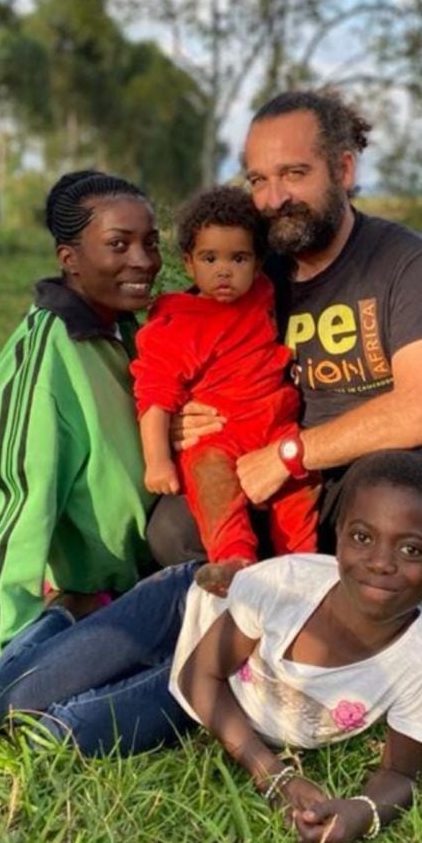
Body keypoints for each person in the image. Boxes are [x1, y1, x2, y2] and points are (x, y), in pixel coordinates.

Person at [0, 450, 422, 843]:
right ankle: (65, 612)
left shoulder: (419, 664)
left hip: (214, 685)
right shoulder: (286, 587)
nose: (380, 562)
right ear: (339, 540)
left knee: (54, 735)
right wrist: (272, 775)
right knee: (5, 699)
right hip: (185, 611)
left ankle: (126, 661)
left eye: (411, 550)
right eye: (362, 537)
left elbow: (399, 773)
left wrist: (359, 813)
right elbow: (199, 677)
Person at [145, 88, 422, 567]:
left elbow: (420, 414)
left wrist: (288, 454)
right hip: (271, 464)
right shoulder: (251, 272)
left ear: (343, 171)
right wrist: (185, 420)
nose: (273, 198)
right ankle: (252, 617)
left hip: (378, 463)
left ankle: (355, 627)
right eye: (257, 180)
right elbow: (187, 351)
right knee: (172, 530)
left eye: (294, 174)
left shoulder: (407, 261)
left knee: (392, 499)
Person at [0, 169, 162, 683]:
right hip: (97, 595)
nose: (143, 261)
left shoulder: (133, 329)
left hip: (153, 565)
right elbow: (17, 504)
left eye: (150, 243)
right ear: (69, 259)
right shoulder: (46, 355)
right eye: (118, 244)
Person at [131, 186, 318, 596]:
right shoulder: (177, 322)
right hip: (218, 435)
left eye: (239, 258)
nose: (224, 271)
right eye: (209, 258)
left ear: (258, 262)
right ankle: (235, 562)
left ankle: (302, 569)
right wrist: (158, 461)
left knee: (299, 493)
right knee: (214, 488)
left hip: (274, 426)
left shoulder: (263, 294)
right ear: (189, 262)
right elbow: (154, 395)